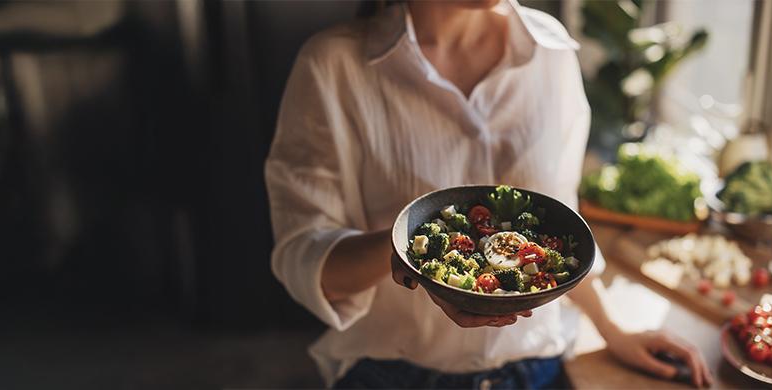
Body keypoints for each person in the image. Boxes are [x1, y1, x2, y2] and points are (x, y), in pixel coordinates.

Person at [265, 0, 712, 388]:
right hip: (393, 374)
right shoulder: (333, 65)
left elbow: (561, 225)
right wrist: (405, 251)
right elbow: (304, 257)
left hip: (536, 369)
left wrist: (614, 329)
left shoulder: (551, 51)